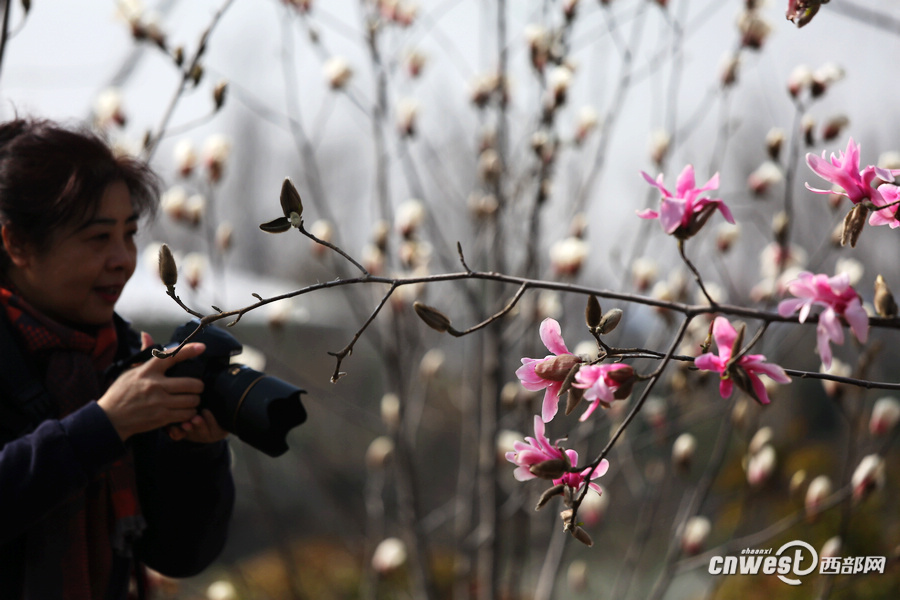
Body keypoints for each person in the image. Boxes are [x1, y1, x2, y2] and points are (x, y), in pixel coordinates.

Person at [0, 117, 235, 599]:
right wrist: (104, 425)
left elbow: (178, 555)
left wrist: (197, 452)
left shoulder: (124, 357)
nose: (123, 259)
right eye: (97, 238)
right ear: (18, 244)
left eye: (128, 234)